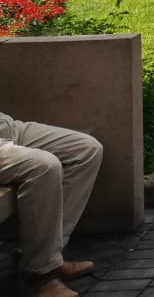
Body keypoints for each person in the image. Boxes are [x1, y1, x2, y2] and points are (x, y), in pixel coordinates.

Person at [0, 113, 103, 297]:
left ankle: (49, 257)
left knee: (86, 149)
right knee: (44, 167)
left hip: (5, 126)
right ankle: (40, 274)